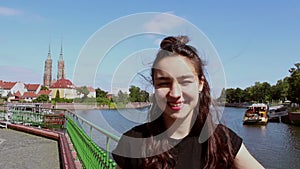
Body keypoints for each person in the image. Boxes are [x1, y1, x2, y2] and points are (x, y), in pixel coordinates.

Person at [112, 35, 264, 169]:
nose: (175, 93)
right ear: (154, 86)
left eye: (185, 81)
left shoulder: (222, 140)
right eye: (164, 83)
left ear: (200, 83)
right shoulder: (134, 142)